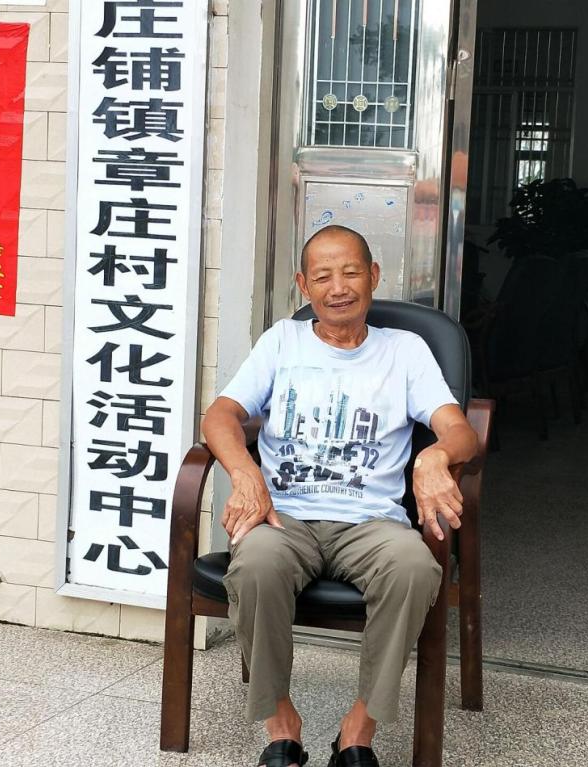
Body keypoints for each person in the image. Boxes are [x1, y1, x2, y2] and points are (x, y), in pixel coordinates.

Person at [202, 225, 478, 767]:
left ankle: (358, 730)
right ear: (304, 285)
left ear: (373, 276)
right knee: (255, 563)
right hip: (285, 518)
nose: (338, 288)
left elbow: (460, 431)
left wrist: (435, 456)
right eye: (323, 276)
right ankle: (281, 725)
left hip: (372, 522)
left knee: (414, 567)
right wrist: (246, 473)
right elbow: (220, 416)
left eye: (351, 273)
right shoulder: (282, 341)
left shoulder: (405, 351)